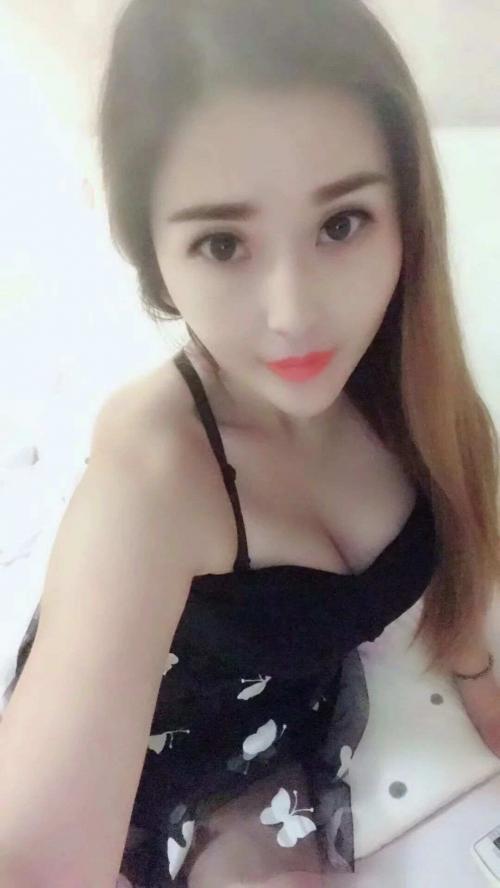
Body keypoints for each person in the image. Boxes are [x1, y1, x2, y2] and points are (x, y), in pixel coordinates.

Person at [2, 1, 499, 887]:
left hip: (294, 711)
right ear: (154, 254)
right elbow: (35, 857)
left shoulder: (412, 379)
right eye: (224, 243)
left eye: (341, 224)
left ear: (405, 215)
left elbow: (468, 593)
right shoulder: (153, 475)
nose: (294, 313)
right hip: (180, 756)